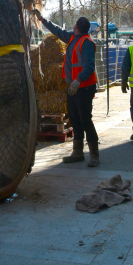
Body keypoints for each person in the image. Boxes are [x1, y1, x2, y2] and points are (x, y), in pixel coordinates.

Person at [32, 9, 99, 167]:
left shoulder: (86, 43)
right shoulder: (72, 38)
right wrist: (42, 19)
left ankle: (94, 155)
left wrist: (77, 81)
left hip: (83, 87)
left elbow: (89, 66)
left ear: (76, 27)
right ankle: (78, 152)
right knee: (75, 119)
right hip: (73, 87)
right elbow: (57, 30)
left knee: (85, 120)